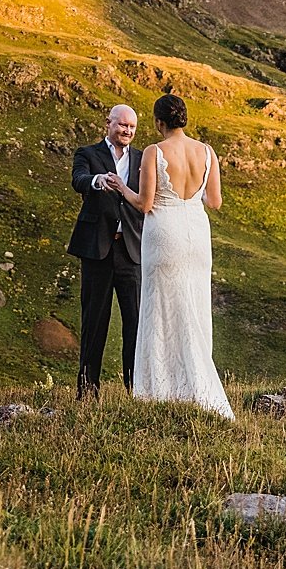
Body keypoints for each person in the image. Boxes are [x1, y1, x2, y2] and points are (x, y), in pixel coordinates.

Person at [109, 93, 234, 419]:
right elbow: (215, 201)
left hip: (164, 233)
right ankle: (198, 386)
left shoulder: (154, 151)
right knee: (193, 304)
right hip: (196, 233)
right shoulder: (207, 152)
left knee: (160, 307)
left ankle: (160, 389)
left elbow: (145, 203)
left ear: (159, 122)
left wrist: (122, 188)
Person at [67, 104, 142, 398]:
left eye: (132, 127)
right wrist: (97, 182)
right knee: (94, 323)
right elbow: (78, 180)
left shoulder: (141, 158)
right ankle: (87, 391)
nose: (127, 131)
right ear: (108, 124)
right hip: (97, 250)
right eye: (122, 125)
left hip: (132, 252)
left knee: (135, 325)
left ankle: (136, 390)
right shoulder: (87, 154)